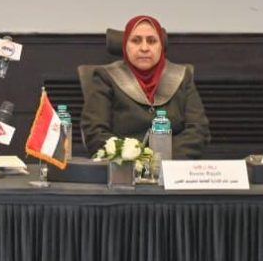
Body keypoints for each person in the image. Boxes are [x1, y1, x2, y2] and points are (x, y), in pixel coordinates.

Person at [80, 15, 210, 159]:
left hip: (171, 165)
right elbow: (95, 132)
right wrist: (135, 157)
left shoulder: (181, 76)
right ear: (125, 45)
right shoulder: (105, 77)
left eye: (152, 41)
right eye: (136, 41)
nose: (144, 48)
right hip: (124, 166)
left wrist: (158, 157)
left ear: (161, 46)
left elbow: (198, 130)